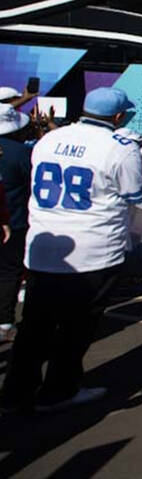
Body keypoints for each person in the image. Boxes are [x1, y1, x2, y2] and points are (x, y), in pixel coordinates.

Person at [0, 87, 142, 412]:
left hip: (45, 242)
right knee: (76, 326)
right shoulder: (120, 148)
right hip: (93, 248)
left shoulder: (50, 139)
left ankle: (15, 391)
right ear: (119, 116)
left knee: (35, 324)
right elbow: (136, 195)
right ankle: (59, 390)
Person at [0, 103, 33, 343]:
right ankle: (4, 321)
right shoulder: (20, 153)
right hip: (14, 220)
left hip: (11, 217)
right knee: (9, 272)